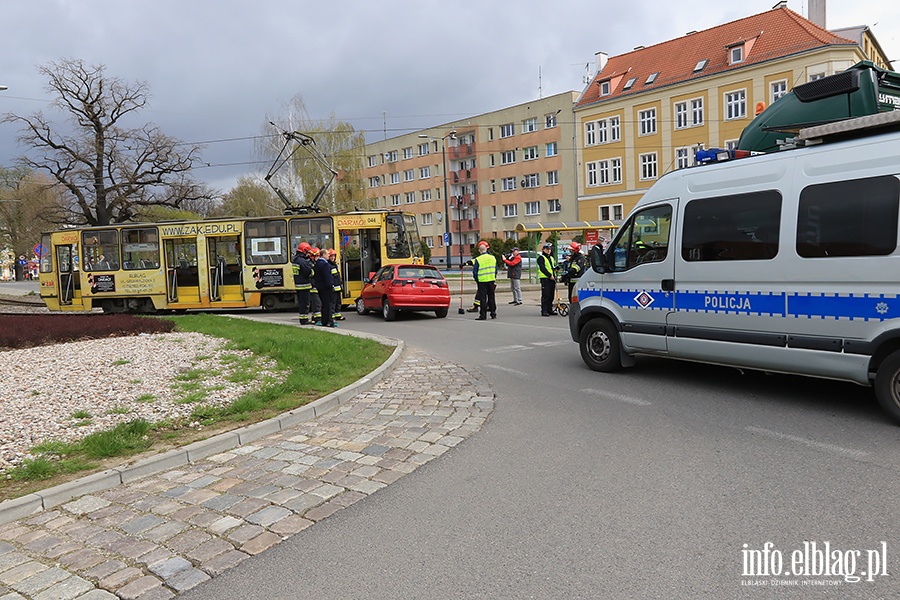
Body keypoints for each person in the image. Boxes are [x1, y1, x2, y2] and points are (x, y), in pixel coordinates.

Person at [471, 240, 497, 320]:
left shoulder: (478, 259)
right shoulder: (493, 258)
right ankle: (493, 313)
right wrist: (494, 277)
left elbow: (475, 272)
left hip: (482, 281)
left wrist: (477, 279)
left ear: (479, 250)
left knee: (483, 298)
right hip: (491, 280)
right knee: (491, 297)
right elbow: (496, 270)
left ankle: (483, 315)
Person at [311, 248, 337, 327]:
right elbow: (327, 277)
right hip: (326, 287)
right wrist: (330, 285)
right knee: (328, 304)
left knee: (324, 304)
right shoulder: (325, 264)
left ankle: (324, 321)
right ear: (324, 255)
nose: (329, 255)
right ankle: (329, 321)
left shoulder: (317, 264)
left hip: (319, 287)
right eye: (327, 254)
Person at [291, 242, 314, 323]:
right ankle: (304, 320)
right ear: (304, 251)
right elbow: (309, 273)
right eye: (307, 252)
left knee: (302, 304)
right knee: (305, 304)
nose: (308, 254)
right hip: (305, 286)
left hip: (298, 285)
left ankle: (303, 318)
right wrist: (312, 269)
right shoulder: (302, 261)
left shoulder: (296, 260)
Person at [537, 242, 557, 317]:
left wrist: (555, 270)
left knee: (551, 295)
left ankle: (550, 309)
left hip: (552, 278)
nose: (549, 250)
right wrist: (549, 275)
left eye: (550, 249)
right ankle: (544, 310)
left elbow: (552, 267)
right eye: (547, 249)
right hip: (545, 278)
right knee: (546, 295)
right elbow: (542, 268)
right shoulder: (541, 258)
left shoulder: (551, 258)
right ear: (543, 250)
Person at [327, 249, 345, 320]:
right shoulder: (328, 265)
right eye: (331, 256)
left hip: (338, 288)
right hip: (333, 288)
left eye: (334, 256)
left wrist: (341, 285)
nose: (333, 258)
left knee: (338, 302)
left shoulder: (334, 265)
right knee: (333, 303)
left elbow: (337, 277)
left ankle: (337, 315)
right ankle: (332, 316)